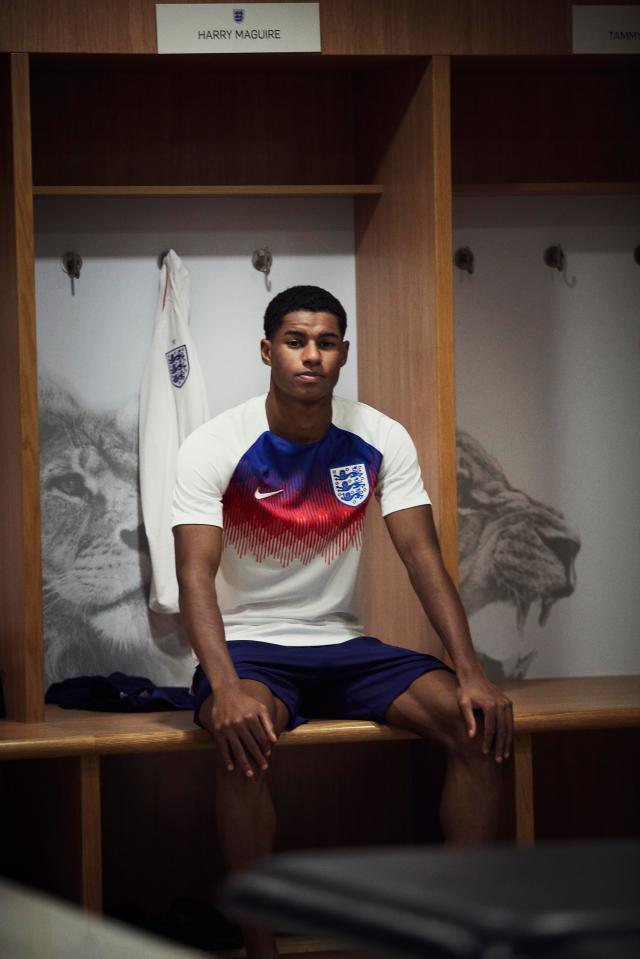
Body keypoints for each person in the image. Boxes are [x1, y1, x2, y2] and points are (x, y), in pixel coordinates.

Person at [172, 285, 513, 959]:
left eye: (326, 343)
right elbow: (193, 576)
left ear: (343, 354)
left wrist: (471, 672)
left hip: (346, 646)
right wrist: (226, 686)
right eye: (296, 341)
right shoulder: (214, 444)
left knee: (476, 728)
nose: (311, 356)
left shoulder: (378, 437)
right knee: (243, 745)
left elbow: (422, 556)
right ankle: (260, 948)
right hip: (254, 652)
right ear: (268, 350)